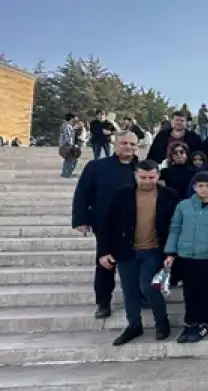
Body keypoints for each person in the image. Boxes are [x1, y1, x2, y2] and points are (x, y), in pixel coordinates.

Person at [96, 160, 180, 345]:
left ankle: (162, 322)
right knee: (129, 290)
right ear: (135, 175)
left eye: (151, 177)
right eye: (143, 177)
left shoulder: (169, 195)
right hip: (127, 250)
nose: (147, 181)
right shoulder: (122, 195)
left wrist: (172, 253)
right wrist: (104, 252)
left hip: (155, 250)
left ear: (158, 175)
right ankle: (134, 325)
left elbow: (177, 226)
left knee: (149, 287)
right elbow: (107, 225)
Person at [72, 131, 140, 319]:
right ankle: (103, 302)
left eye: (133, 144)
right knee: (105, 265)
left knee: (135, 264)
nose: (128, 147)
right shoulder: (96, 167)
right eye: (124, 143)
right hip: (104, 223)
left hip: (135, 225)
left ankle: (139, 297)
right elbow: (82, 193)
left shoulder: (141, 168)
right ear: (116, 145)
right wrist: (81, 220)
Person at [164, 171, 208, 343]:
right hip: (186, 254)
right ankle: (190, 323)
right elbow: (175, 228)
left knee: (205, 290)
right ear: (195, 187)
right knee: (189, 291)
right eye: (200, 186)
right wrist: (171, 252)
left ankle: (203, 323)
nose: (204, 189)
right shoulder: (184, 206)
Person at [59, 113, 81, 178]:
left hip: (68, 145)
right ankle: (66, 174)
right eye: (74, 118)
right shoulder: (66, 125)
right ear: (71, 118)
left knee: (72, 160)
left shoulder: (69, 126)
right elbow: (68, 136)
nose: (76, 119)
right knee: (70, 159)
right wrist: (71, 145)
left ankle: (67, 173)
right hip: (66, 145)